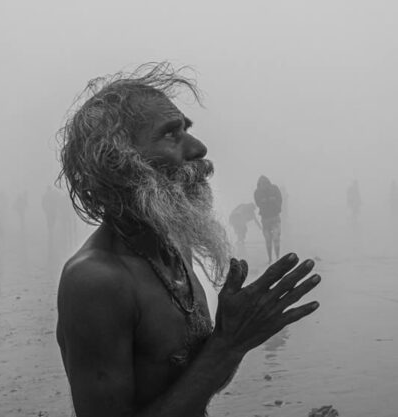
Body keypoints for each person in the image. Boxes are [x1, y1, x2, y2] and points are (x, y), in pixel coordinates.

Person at [55, 63, 322, 417]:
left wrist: (233, 337)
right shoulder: (97, 281)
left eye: (187, 130)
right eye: (171, 134)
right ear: (117, 163)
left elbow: (185, 381)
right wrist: (228, 345)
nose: (198, 148)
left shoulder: (172, 245)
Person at [254, 175, 283, 264]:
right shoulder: (257, 192)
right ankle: (270, 259)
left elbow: (280, 199)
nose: (264, 186)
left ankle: (277, 257)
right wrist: (265, 201)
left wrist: (274, 201)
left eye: (265, 183)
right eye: (262, 184)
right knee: (268, 240)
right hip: (265, 219)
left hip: (275, 217)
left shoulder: (274, 189)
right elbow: (258, 203)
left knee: (276, 238)